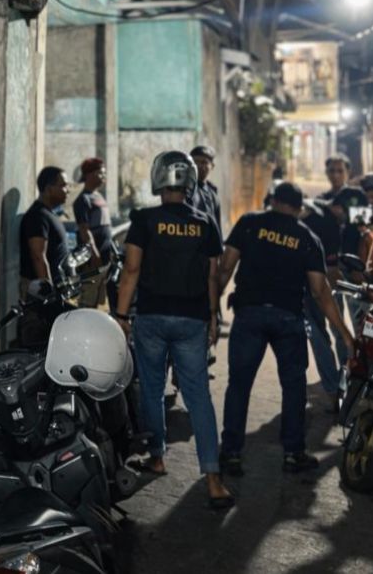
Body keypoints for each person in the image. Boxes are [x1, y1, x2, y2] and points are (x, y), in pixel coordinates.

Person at [113, 151, 233, 509]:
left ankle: (157, 457)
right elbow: (212, 275)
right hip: (192, 320)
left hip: (151, 318)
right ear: (190, 182)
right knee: (199, 398)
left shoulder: (144, 220)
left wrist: (121, 315)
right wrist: (213, 316)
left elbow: (131, 270)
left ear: (158, 179)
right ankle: (213, 479)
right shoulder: (205, 222)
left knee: (151, 390)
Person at [217, 183, 355, 476]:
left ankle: (230, 453)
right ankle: (293, 453)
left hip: (249, 313)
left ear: (273, 201)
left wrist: (210, 311)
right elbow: (320, 291)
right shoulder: (307, 237)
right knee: (294, 388)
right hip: (288, 319)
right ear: (299, 208)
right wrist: (344, 332)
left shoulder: (249, 223)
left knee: (239, 385)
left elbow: (225, 267)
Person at [299, 198, 348, 412]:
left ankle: (335, 387)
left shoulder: (312, 225)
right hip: (318, 286)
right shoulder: (324, 223)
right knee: (327, 335)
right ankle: (339, 382)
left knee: (322, 338)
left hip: (311, 287)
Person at [20, 166, 70, 297]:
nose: (68, 190)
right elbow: (38, 256)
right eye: (63, 185)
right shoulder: (37, 216)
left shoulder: (49, 214)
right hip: (42, 296)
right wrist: (49, 293)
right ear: (48, 189)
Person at [72, 158, 116, 309]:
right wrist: (94, 254)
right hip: (91, 261)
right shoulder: (82, 200)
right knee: (88, 300)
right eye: (100, 173)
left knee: (100, 300)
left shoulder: (99, 196)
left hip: (104, 257)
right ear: (89, 174)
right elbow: (84, 230)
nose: (104, 176)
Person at [187, 145, 223, 239]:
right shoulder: (184, 189)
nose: (199, 166)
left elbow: (217, 227)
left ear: (212, 166)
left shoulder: (213, 194)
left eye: (204, 162)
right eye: (195, 162)